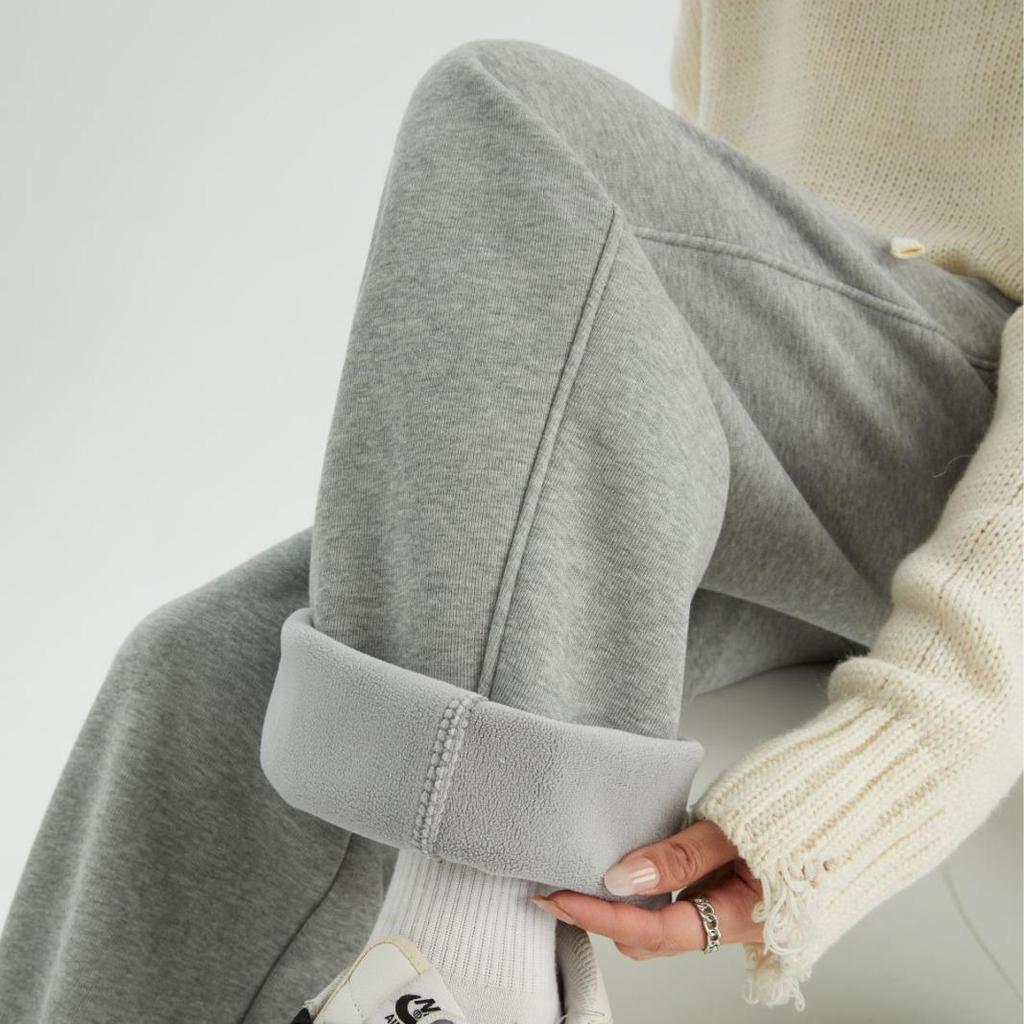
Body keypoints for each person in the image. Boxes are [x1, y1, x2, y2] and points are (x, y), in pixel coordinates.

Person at [1, 2, 1020, 1020]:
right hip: (793, 380)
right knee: (210, 665)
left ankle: (476, 977)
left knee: (515, 122)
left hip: (970, 425)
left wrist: (900, 758)